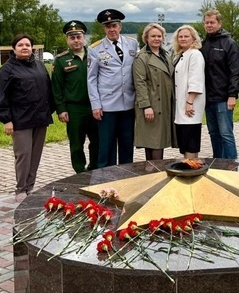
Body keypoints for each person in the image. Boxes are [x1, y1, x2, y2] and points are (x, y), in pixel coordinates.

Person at [0, 33, 54, 203]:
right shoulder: (7, 69)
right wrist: (6, 119)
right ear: (14, 49)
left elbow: (48, 89)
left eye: (27, 45)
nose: (24, 48)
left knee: (35, 155)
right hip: (20, 121)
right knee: (24, 155)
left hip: (40, 118)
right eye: (20, 45)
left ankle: (30, 187)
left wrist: (51, 109)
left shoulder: (40, 66)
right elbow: (1, 96)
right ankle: (21, 189)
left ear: (32, 48)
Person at [87, 9, 138, 167]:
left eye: (114, 25)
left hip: (128, 103)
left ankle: (126, 175)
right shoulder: (95, 49)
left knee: (127, 145)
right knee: (107, 147)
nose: (111, 29)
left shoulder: (132, 43)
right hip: (107, 105)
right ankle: (106, 178)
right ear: (104, 28)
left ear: (120, 26)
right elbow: (91, 78)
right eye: (108, 26)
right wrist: (95, 104)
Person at [52, 20, 100, 173]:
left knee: (98, 140)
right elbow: (57, 87)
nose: (76, 40)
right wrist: (61, 109)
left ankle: (95, 168)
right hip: (74, 108)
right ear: (67, 40)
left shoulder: (95, 55)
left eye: (79, 37)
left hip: (95, 106)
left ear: (84, 38)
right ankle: (79, 171)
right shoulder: (61, 60)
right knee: (76, 143)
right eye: (72, 38)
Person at [200, 9, 239, 159]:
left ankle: (231, 164)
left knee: (226, 134)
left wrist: (232, 95)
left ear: (219, 23)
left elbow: (235, 71)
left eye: (212, 22)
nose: (209, 25)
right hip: (208, 98)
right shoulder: (203, 44)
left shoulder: (229, 43)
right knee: (213, 133)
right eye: (207, 22)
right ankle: (217, 162)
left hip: (223, 98)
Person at [133, 23, 175, 160]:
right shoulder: (141, 57)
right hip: (152, 104)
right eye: (153, 36)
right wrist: (146, 106)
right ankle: (154, 170)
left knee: (159, 140)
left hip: (165, 103)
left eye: (159, 36)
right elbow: (140, 83)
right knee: (153, 141)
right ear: (146, 38)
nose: (156, 39)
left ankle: (154, 169)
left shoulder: (166, 55)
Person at [172, 25, 206, 159]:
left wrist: (189, 102)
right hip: (181, 104)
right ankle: (189, 163)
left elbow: (196, 79)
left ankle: (190, 166)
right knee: (185, 141)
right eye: (180, 36)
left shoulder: (195, 54)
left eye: (186, 36)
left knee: (191, 141)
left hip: (190, 104)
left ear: (193, 38)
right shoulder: (181, 55)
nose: (183, 39)